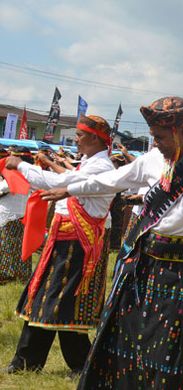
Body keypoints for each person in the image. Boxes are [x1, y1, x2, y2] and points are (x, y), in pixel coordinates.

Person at [43, 97, 183, 388]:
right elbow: (110, 181)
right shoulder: (153, 160)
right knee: (126, 338)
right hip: (142, 266)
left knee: (171, 350)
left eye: (159, 137)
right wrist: (68, 188)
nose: (155, 143)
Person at [3, 115, 115, 376]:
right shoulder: (89, 163)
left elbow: (58, 184)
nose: (75, 139)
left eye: (80, 134)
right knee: (48, 298)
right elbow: (67, 178)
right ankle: (63, 363)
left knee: (54, 300)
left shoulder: (102, 168)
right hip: (66, 239)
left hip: (77, 244)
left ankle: (54, 362)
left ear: (96, 138)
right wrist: (50, 164)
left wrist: (21, 164)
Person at [0, 148, 34, 284]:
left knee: (6, 244)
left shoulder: (15, 174)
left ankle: (6, 274)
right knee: (18, 245)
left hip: (10, 214)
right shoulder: (29, 172)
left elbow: (2, 189)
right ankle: (18, 274)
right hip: (20, 213)